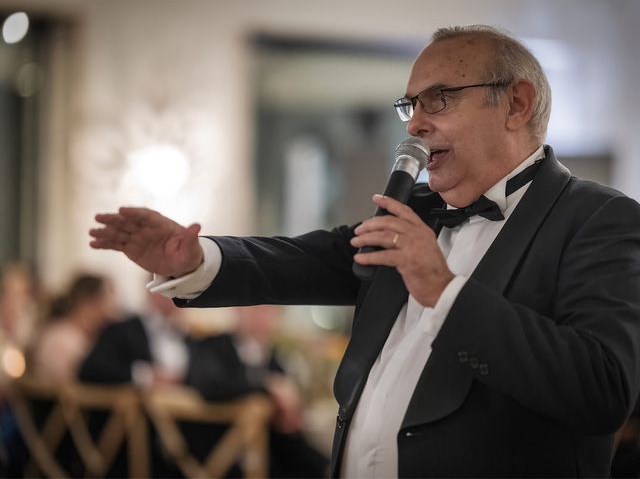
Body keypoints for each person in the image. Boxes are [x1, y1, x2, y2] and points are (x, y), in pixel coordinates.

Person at [88, 25, 640, 477]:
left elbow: (603, 389)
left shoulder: (600, 219)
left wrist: (445, 292)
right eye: (411, 105)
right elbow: (308, 259)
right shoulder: (417, 209)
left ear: (516, 103)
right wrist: (195, 259)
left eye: (440, 99)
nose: (418, 123)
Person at [186, 305, 329, 478]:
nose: (265, 317)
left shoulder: (272, 357)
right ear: (239, 310)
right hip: (222, 454)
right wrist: (266, 387)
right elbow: (210, 386)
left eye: (270, 311)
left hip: (274, 453)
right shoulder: (213, 345)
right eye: (259, 310)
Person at [31, 273, 116, 382]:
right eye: (105, 303)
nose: (110, 312)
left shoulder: (91, 339)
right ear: (87, 303)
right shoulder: (60, 339)